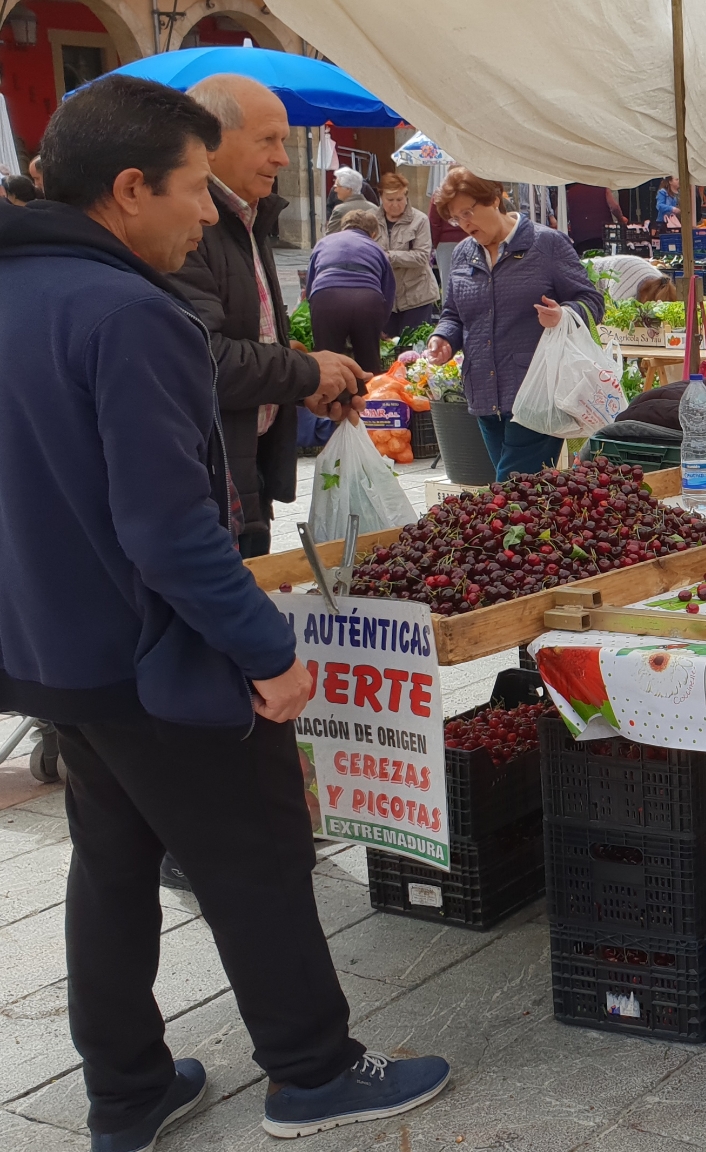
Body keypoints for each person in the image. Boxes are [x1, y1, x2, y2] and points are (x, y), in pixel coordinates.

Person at [0, 74, 449, 1152]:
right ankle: (313, 1072)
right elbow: (168, 528)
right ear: (128, 189)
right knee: (256, 854)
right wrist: (264, 651)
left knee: (111, 865)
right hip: (157, 651)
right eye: (195, 187)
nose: (209, 213)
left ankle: (127, 1092)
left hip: (55, 652)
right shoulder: (130, 314)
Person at [178, 74, 368, 559]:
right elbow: (202, 358)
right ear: (211, 140)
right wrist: (305, 372)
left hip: (246, 474)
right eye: (268, 140)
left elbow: (251, 336)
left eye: (284, 141)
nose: (283, 157)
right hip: (207, 482)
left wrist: (301, 385)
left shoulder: (248, 217)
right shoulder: (187, 226)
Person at [426, 167, 605, 480]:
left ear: (494, 199)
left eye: (468, 212)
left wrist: (563, 315)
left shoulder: (546, 244)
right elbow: (453, 312)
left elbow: (591, 301)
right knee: (525, 490)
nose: (464, 223)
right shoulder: (463, 254)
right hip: (484, 391)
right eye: (456, 218)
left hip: (536, 389)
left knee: (510, 488)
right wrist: (443, 338)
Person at [306, 210, 395, 374]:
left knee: (327, 361)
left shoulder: (323, 243)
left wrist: (315, 309)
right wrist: (380, 324)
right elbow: (388, 291)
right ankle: (370, 388)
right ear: (373, 234)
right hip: (367, 300)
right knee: (368, 362)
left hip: (326, 298)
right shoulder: (376, 248)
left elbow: (310, 283)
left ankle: (331, 390)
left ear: (343, 227)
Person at [376, 171, 437, 335]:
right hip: (385, 298)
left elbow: (422, 256)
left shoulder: (420, 220)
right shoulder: (371, 220)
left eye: (399, 199)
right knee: (387, 346)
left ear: (406, 196)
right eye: (390, 200)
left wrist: (389, 257)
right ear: (381, 197)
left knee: (413, 345)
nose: (395, 204)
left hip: (417, 296)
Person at [587, 252, 678, 304]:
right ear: (645, 298)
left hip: (627, 267)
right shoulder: (622, 291)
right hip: (587, 271)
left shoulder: (661, 280)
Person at [563, 182, 624, 253]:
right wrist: (621, 219)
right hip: (602, 236)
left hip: (581, 238)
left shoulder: (570, 192)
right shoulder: (603, 188)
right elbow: (614, 208)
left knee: (585, 257)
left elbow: (562, 212)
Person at [323, 165, 365, 233]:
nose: (335, 189)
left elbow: (331, 236)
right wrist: (328, 218)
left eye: (337, 185)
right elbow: (329, 206)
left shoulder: (340, 210)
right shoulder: (374, 208)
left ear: (348, 189)